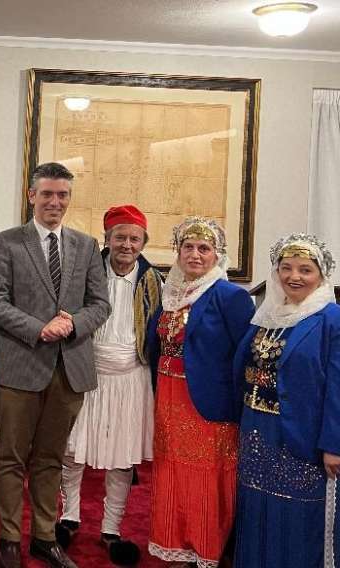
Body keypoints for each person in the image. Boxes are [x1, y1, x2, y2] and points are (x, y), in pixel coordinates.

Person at [0, 162, 110, 568]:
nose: (55, 201)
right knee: (11, 458)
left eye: (63, 195)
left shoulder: (86, 245)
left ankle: (44, 537)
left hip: (70, 371)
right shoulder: (6, 243)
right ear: (32, 196)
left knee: (51, 458)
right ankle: (8, 539)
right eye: (48, 194)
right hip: (21, 366)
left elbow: (100, 304)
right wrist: (40, 329)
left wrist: (72, 324)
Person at [57, 204, 163, 565]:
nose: (127, 245)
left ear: (143, 242)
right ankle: (68, 517)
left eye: (134, 238)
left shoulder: (155, 282)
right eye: (120, 237)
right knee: (72, 450)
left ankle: (111, 529)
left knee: (122, 456)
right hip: (86, 372)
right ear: (107, 238)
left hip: (132, 378)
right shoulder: (85, 272)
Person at [146, 216, 254, 567]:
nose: (194, 254)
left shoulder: (230, 296)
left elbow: (243, 355)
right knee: (172, 472)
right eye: (188, 247)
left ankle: (206, 550)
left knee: (205, 477)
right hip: (168, 397)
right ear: (177, 252)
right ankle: (175, 544)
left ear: (217, 254)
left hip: (208, 404)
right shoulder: (171, 293)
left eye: (204, 248)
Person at [233, 233, 340, 567]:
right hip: (256, 429)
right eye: (287, 268)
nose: (294, 276)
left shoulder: (331, 319)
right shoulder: (267, 315)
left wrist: (334, 444)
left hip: (301, 434)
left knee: (295, 513)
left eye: (305, 270)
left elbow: (338, 387)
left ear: (321, 275)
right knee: (256, 507)